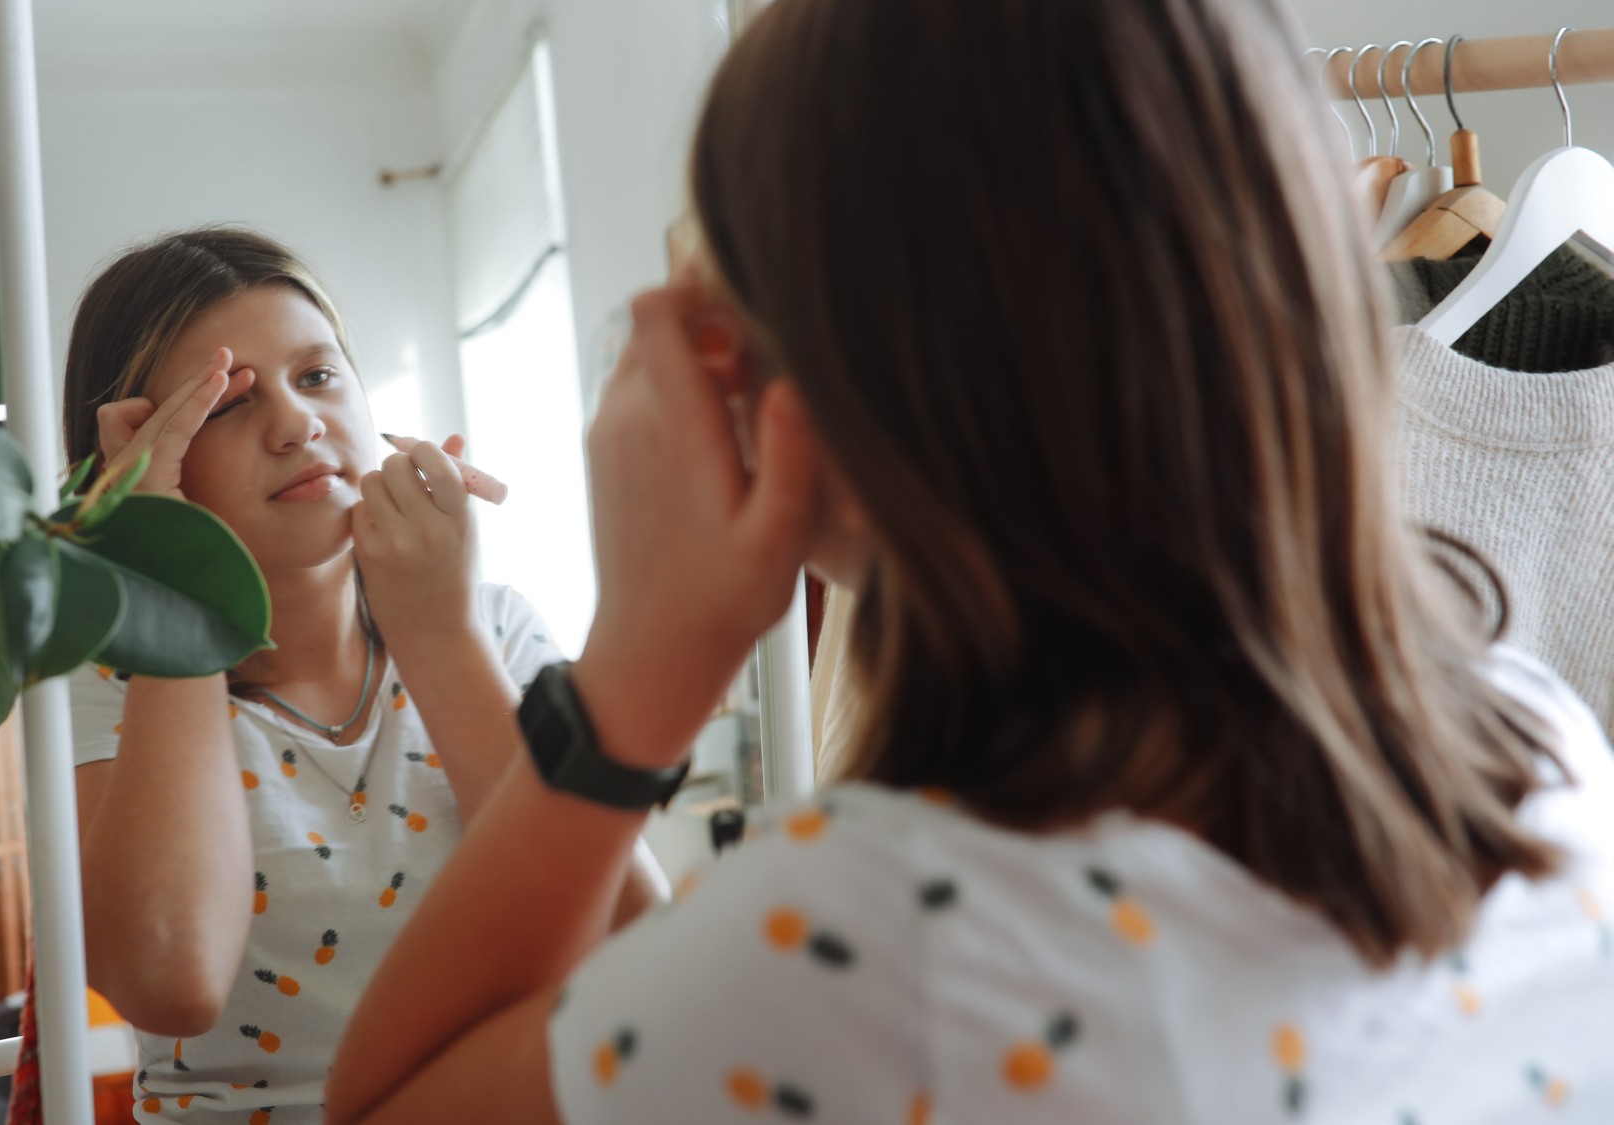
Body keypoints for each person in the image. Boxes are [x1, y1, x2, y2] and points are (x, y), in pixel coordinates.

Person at [320, 0, 1614, 1121]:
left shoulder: (890, 938)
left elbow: (387, 1104)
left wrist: (651, 659)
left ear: (817, 396)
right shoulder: (1538, 747)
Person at [59, 227, 661, 1122]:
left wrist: (443, 633)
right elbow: (170, 979)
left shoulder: (494, 625)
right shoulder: (121, 676)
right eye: (225, 401)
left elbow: (633, 945)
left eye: (318, 376)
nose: (297, 422)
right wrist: (170, 584)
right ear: (140, 460)